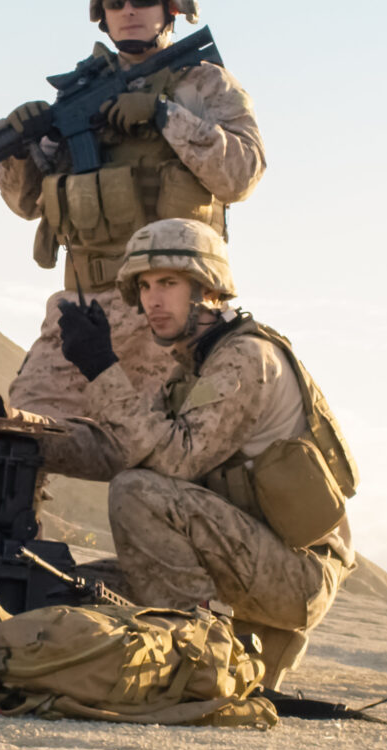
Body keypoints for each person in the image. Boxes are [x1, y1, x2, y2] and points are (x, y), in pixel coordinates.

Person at [0, 0, 264, 462]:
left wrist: (164, 116)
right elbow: (28, 206)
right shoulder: (74, 99)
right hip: (83, 305)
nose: (128, 12)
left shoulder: (205, 86)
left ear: (170, 9)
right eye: (115, 3)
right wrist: (17, 150)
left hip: (169, 308)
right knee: (19, 439)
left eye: (141, 1)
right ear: (101, 15)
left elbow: (243, 174)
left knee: (161, 457)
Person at [58, 219, 357, 687]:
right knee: (69, 590)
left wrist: (102, 367)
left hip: (296, 573)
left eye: (169, 284)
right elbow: (127, 446)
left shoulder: (243, 359)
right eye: (146, 286)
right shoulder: (194, 367)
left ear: (207, 288)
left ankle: (199, 658)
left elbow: (175, 463)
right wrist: (23, 436)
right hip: (248, 558)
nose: (152, 300)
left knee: (136, 492)